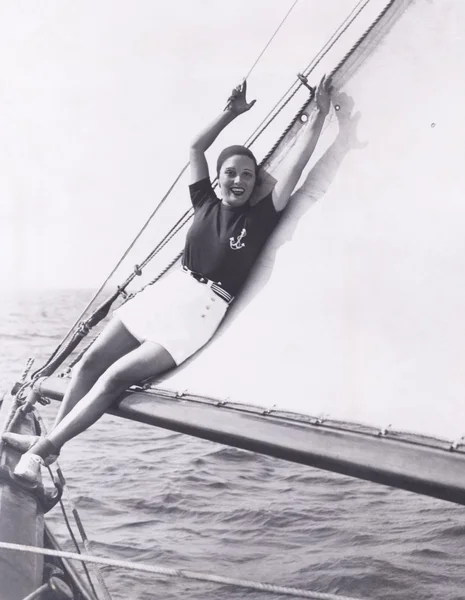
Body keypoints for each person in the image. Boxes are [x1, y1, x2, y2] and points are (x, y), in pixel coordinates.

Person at [5, 77, 332, 483]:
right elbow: (196, 148)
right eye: (230, 172)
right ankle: (51, 442)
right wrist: (230, 114)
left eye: (247, 175)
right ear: (218, 177)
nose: (238, 180)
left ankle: (43, 451)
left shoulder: (261, 216)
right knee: (88, 363)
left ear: (254, 182)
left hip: (202, 309)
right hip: (165, 293)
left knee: (116, 377)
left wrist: (318, 117)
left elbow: (298, 166)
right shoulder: (204, 203)